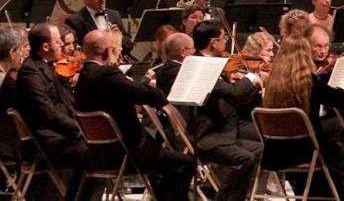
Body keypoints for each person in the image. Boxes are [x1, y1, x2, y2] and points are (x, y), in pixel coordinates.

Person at [73, 29, 196, 201]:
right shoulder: (107, 74)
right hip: (126, 152)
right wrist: (160, 97)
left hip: (98, 154)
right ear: (108, 51)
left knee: (164, 162)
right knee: (185, 163)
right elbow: (142, 93)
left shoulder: (83, 76)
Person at [154, 32, 263, 201]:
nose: (196, 53)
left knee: (261, 149)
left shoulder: (172, 69)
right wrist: (250, 78)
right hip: (198, 136)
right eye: (193, 49)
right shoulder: (180, 71)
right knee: (245, 158)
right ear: (184, 52)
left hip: (209, 130)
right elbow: (231, 94)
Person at [262, 36, 344, 200]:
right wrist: (339, 89)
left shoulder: (272, 83)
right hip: (306, 151)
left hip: (275, 152)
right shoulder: (308, 82)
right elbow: (340, 99)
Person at [14, 23, 88, 199]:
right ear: (45, 47)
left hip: (60, 136)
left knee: (102, 151)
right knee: (97, 154)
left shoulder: (46, 66)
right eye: (58, 42)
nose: (62, 45)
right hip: (48, 140)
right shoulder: (30, 72)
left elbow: (67, 103)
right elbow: (47, 113)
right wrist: (78, 130)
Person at [64, 0, 133, 56]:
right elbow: (77, 50)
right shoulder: (75, 21)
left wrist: (118, 37)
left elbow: (129, 45)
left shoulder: (114, 15)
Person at [0, 28, 28, 175]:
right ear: (12, 52)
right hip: (8, 146)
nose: (22, 55)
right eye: (20, 51)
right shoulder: (8, 83)